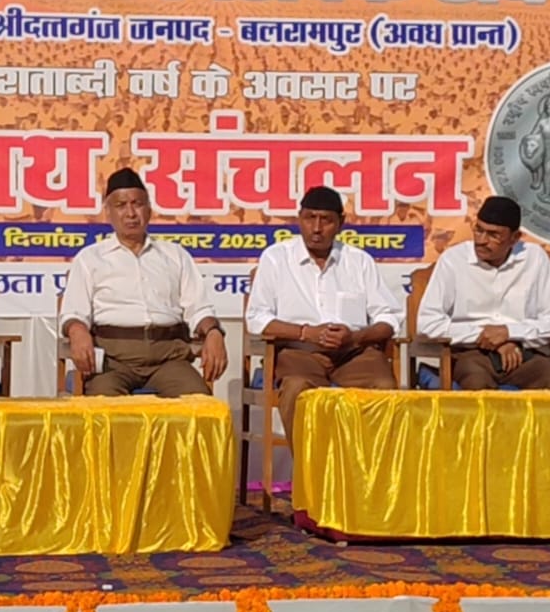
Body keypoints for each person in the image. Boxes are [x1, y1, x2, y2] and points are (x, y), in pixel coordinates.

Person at [245, 186, 403, 444]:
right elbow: (257, 319)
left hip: (353, 353)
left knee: (384, 387)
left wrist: (355, 336)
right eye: (310, 218)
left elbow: (389, 317)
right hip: (299, 353)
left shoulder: (359, 261)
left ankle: (372, 475)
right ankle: (311, 475)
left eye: (326, 220)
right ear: (300, 219)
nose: (316, 228)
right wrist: (307, 333)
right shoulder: (275, 258)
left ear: (341, 223)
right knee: (296, 388)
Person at [59, 168, 226, 396]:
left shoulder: (174, 255)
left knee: (198, 405)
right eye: (121, 205)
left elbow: (199, 308)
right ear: (108, 212)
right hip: (113, 361)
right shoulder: (90, 259)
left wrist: (214, 332)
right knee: (105, 411)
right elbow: (73, 314)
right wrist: (78, 332)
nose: (130, 213)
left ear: (149, 210)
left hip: (168, 359)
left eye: (137, 204)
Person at [415, 196, 550, 391]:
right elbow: (428, 323)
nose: (481, 241)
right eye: (479, 230)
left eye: (493, 235)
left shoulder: (535, 259)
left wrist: (510, 333)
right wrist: (484, 336)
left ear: (515, 238)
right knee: (477, 382)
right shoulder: (453, 260)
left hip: (524, 354)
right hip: (471, 354)